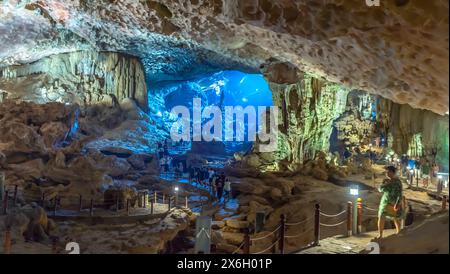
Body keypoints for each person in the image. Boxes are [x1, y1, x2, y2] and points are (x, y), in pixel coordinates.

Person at [376, 165, 404, 239]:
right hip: (385, 202)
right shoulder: (386, 180)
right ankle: (380, 234)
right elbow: (380, 189)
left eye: (388, 172)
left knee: (396, 219)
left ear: (392, 172)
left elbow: (400, 193)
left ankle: (398, 232)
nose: (387, 174)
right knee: (381, 217)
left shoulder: (398, 182)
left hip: (394, 202)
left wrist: (397, 203)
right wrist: (386, 184)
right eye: (386, 172)